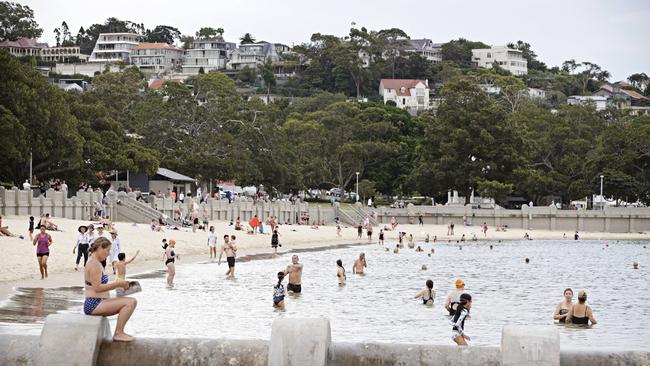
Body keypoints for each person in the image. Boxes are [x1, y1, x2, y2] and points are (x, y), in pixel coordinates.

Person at [84, 237, 137, 342]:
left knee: (131, 301)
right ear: (99, 248)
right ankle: (118, 333)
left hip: (98, 302)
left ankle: (120, 332)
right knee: (130, 302)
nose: (108, 254)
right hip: (94, 304)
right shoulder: (94, 264)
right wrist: (118, 284)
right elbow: (97, 287)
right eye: (107, 250)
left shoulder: (95, 262)